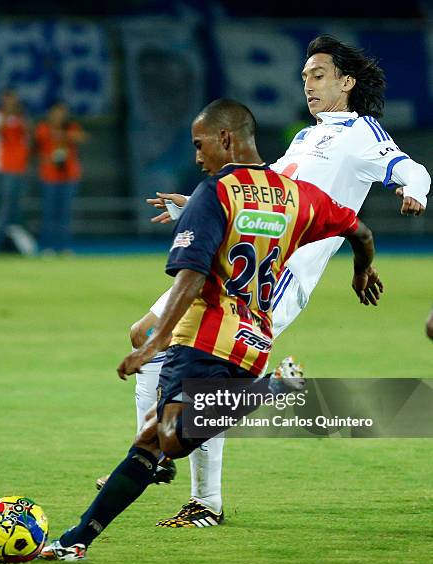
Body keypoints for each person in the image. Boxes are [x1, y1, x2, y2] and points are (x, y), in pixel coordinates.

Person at [40, 98, 381, 561]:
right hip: (254, 342)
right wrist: (363, 271)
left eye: (200, 145)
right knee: (149, 442)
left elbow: (191, 276)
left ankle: (272, 389)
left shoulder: (216, 192)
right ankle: (75, 541)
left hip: (205, 338)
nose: (197, 156)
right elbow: (360, 232)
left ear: (225, 138)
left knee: (170, 441)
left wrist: (153, 344)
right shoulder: (298, 194)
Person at [135, 34, 430, 527]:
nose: (309, 86)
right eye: (305, 78)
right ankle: (161, 454)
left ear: (347, 82)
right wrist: (198, 206)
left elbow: (409, 166)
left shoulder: (362, 132)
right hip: (238, 259)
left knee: (198, 376)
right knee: (145, 337)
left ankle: (200, 496)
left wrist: (413, 189)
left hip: (277, 276)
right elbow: (262, 187)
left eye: (319, 76)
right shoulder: (305, 137)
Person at [34, 101, 87, 254]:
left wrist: (64, 134)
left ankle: (64, 247)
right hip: (50, 176)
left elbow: (82, 138)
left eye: (62, 113)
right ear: (50, 114)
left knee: (66, 215)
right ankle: (47, 247)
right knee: (49, 214)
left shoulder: (70, 127)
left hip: (69, 176)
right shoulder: (44, 127)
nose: (59, 116)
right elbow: (37, 146)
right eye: (56, 113)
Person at [0, 89, 33, 253]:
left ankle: (15, 246)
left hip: (19, 168)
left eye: (13, 99)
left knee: (17, 210)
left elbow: (29, 137)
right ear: (2, 99)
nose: (11, 103)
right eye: (8, 99)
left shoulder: (21, 117)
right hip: (2, 168)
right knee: (2, 210)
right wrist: (7, 114)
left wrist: (21, 117)